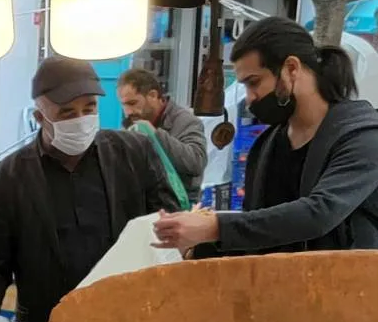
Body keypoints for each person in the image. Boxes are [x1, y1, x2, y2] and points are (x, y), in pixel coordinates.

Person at [0, 55, 178, 322]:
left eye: (89, 108)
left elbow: (168, 229)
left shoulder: (135, 153)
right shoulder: (6, 179)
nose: (81, 120)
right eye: (67, 113)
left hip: (130, 321)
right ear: (40, 118)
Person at [155, 19, 378, 257]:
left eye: (254, 83)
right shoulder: (267, 147)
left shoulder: (362, 137)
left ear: (291, 68)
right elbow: (261, 234)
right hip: (281, 289)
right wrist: (195, 250)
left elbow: (320, 213)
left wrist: (214, 227)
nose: (250, 99)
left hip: (352, 289)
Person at [116, 66, 207, 206]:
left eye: (133, 103)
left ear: (153, 95)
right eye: (124, 105)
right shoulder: (131, 124)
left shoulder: (186, 121)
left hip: (180, 207)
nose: (128, 111)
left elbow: (196, 162)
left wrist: (155, 135)